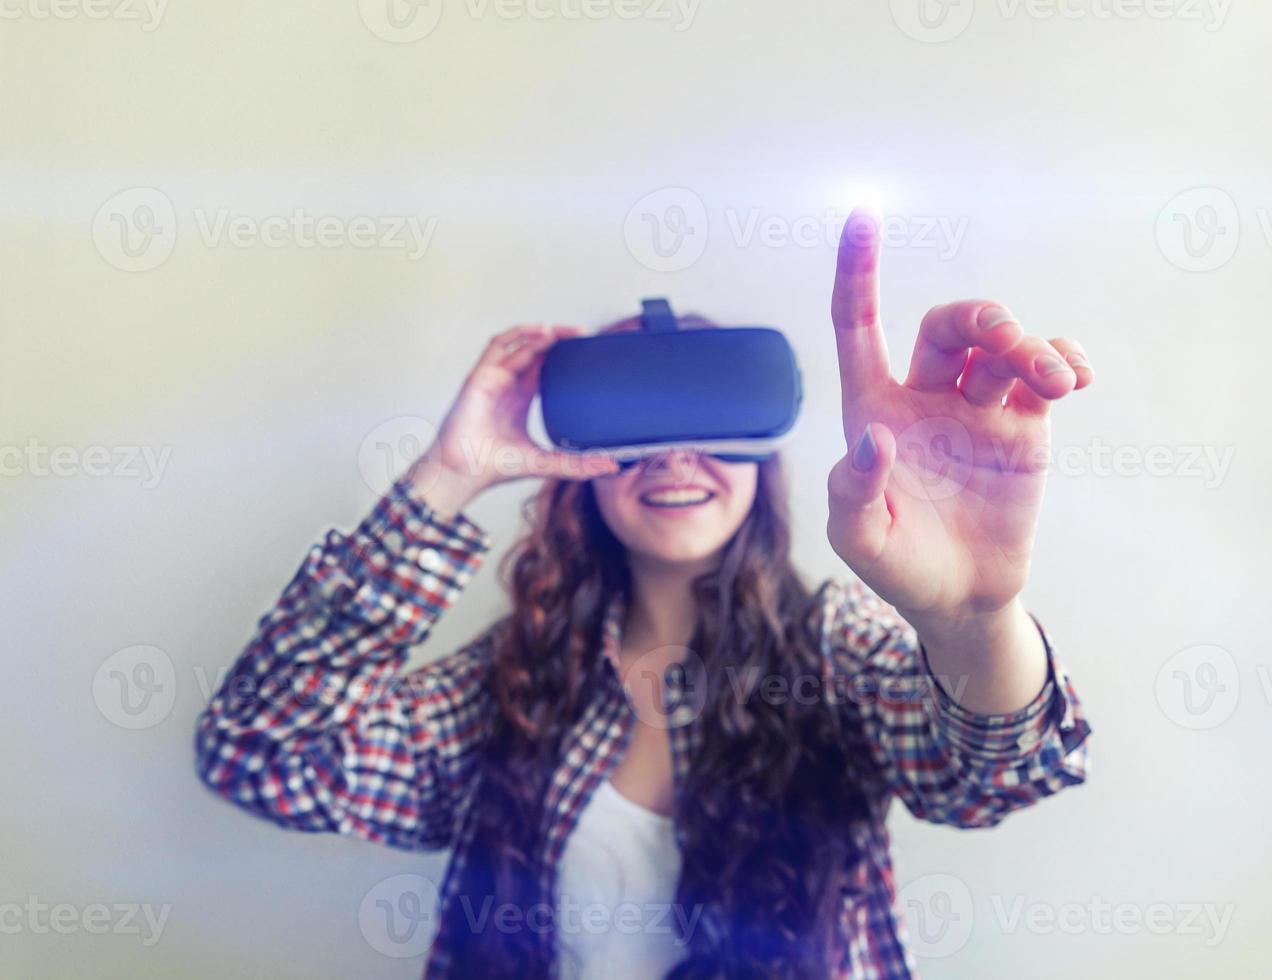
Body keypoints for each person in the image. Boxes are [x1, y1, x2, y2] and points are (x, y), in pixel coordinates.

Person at [194, 208, 1094, 979]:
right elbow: (258, 753)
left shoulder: (831, 649)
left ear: (758, 453)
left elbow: (1002, 774)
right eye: (638, 428)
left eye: (704, 421)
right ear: (582, 466)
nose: (672, 457)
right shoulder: (511, 684)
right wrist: (448, 475)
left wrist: (969, 615)